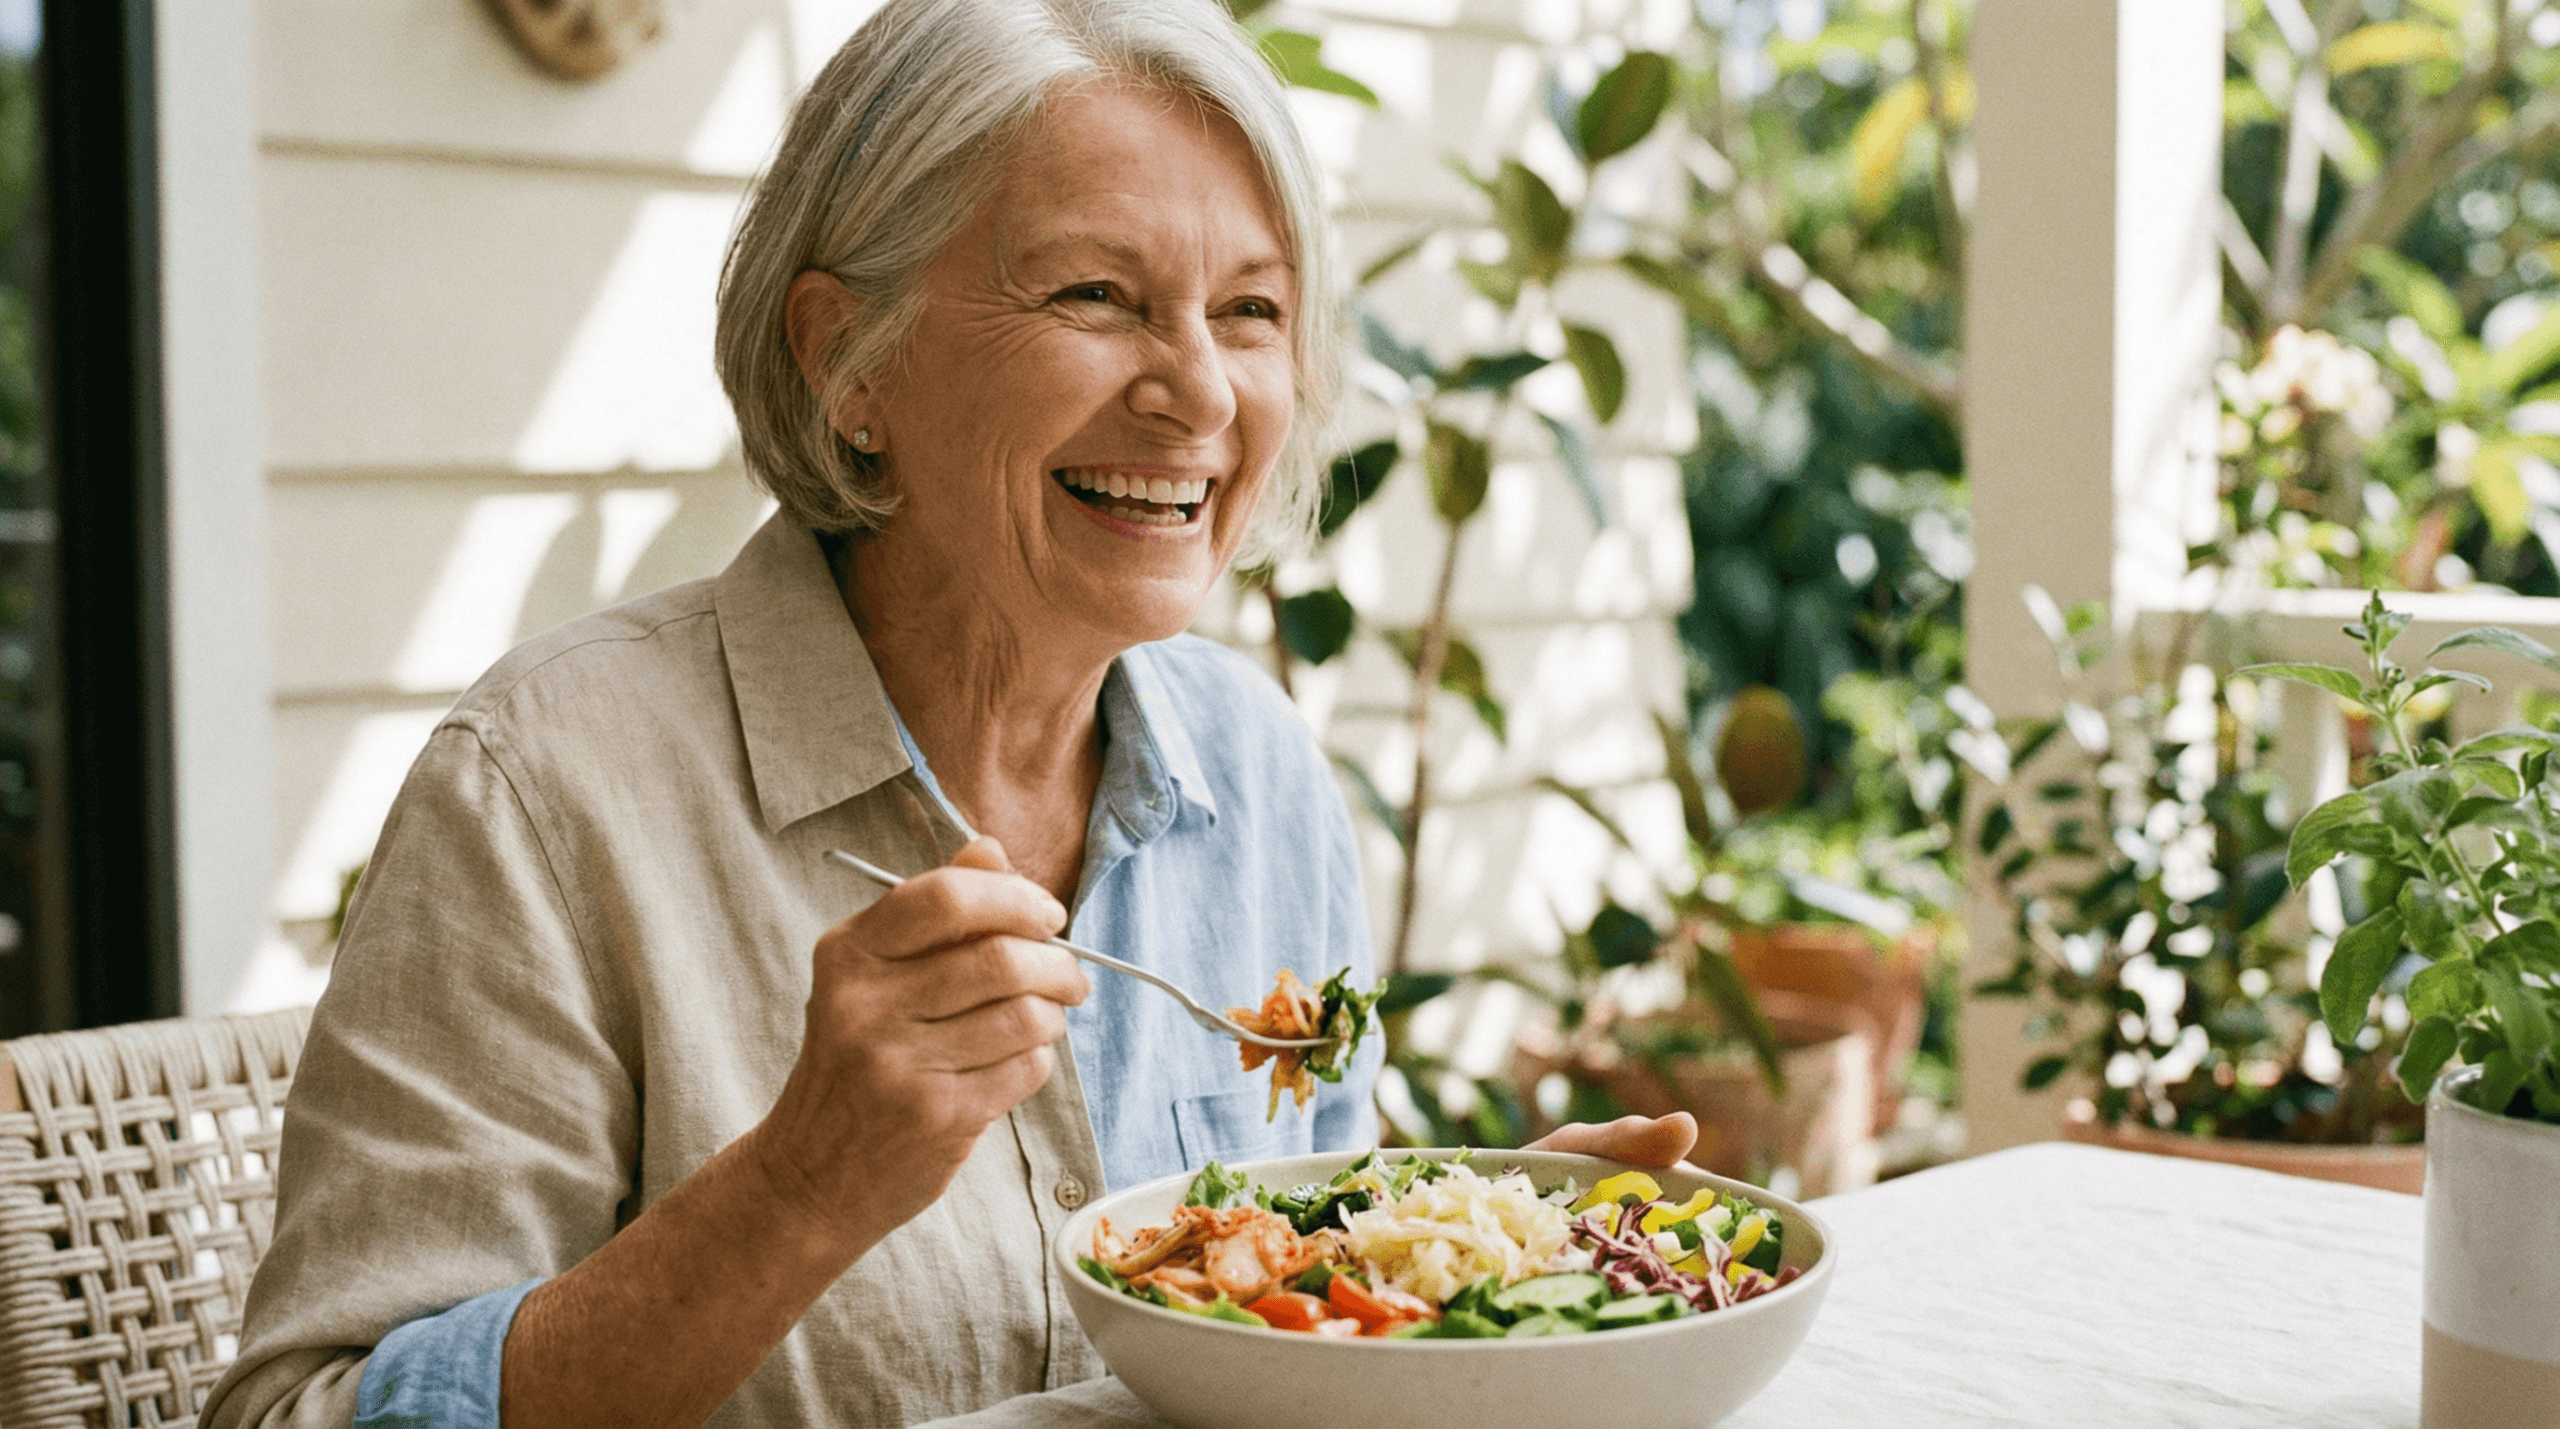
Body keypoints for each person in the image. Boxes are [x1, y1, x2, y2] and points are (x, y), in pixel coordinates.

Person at [203, 2, 1696, 1426]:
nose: (1199, 393)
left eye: (1249, 312)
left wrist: (1464, 1261)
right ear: (846, 361)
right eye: (1096, 297)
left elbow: (1283, 1324)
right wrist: (799, 1188)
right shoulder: (543, 792)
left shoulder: (1263, 773)